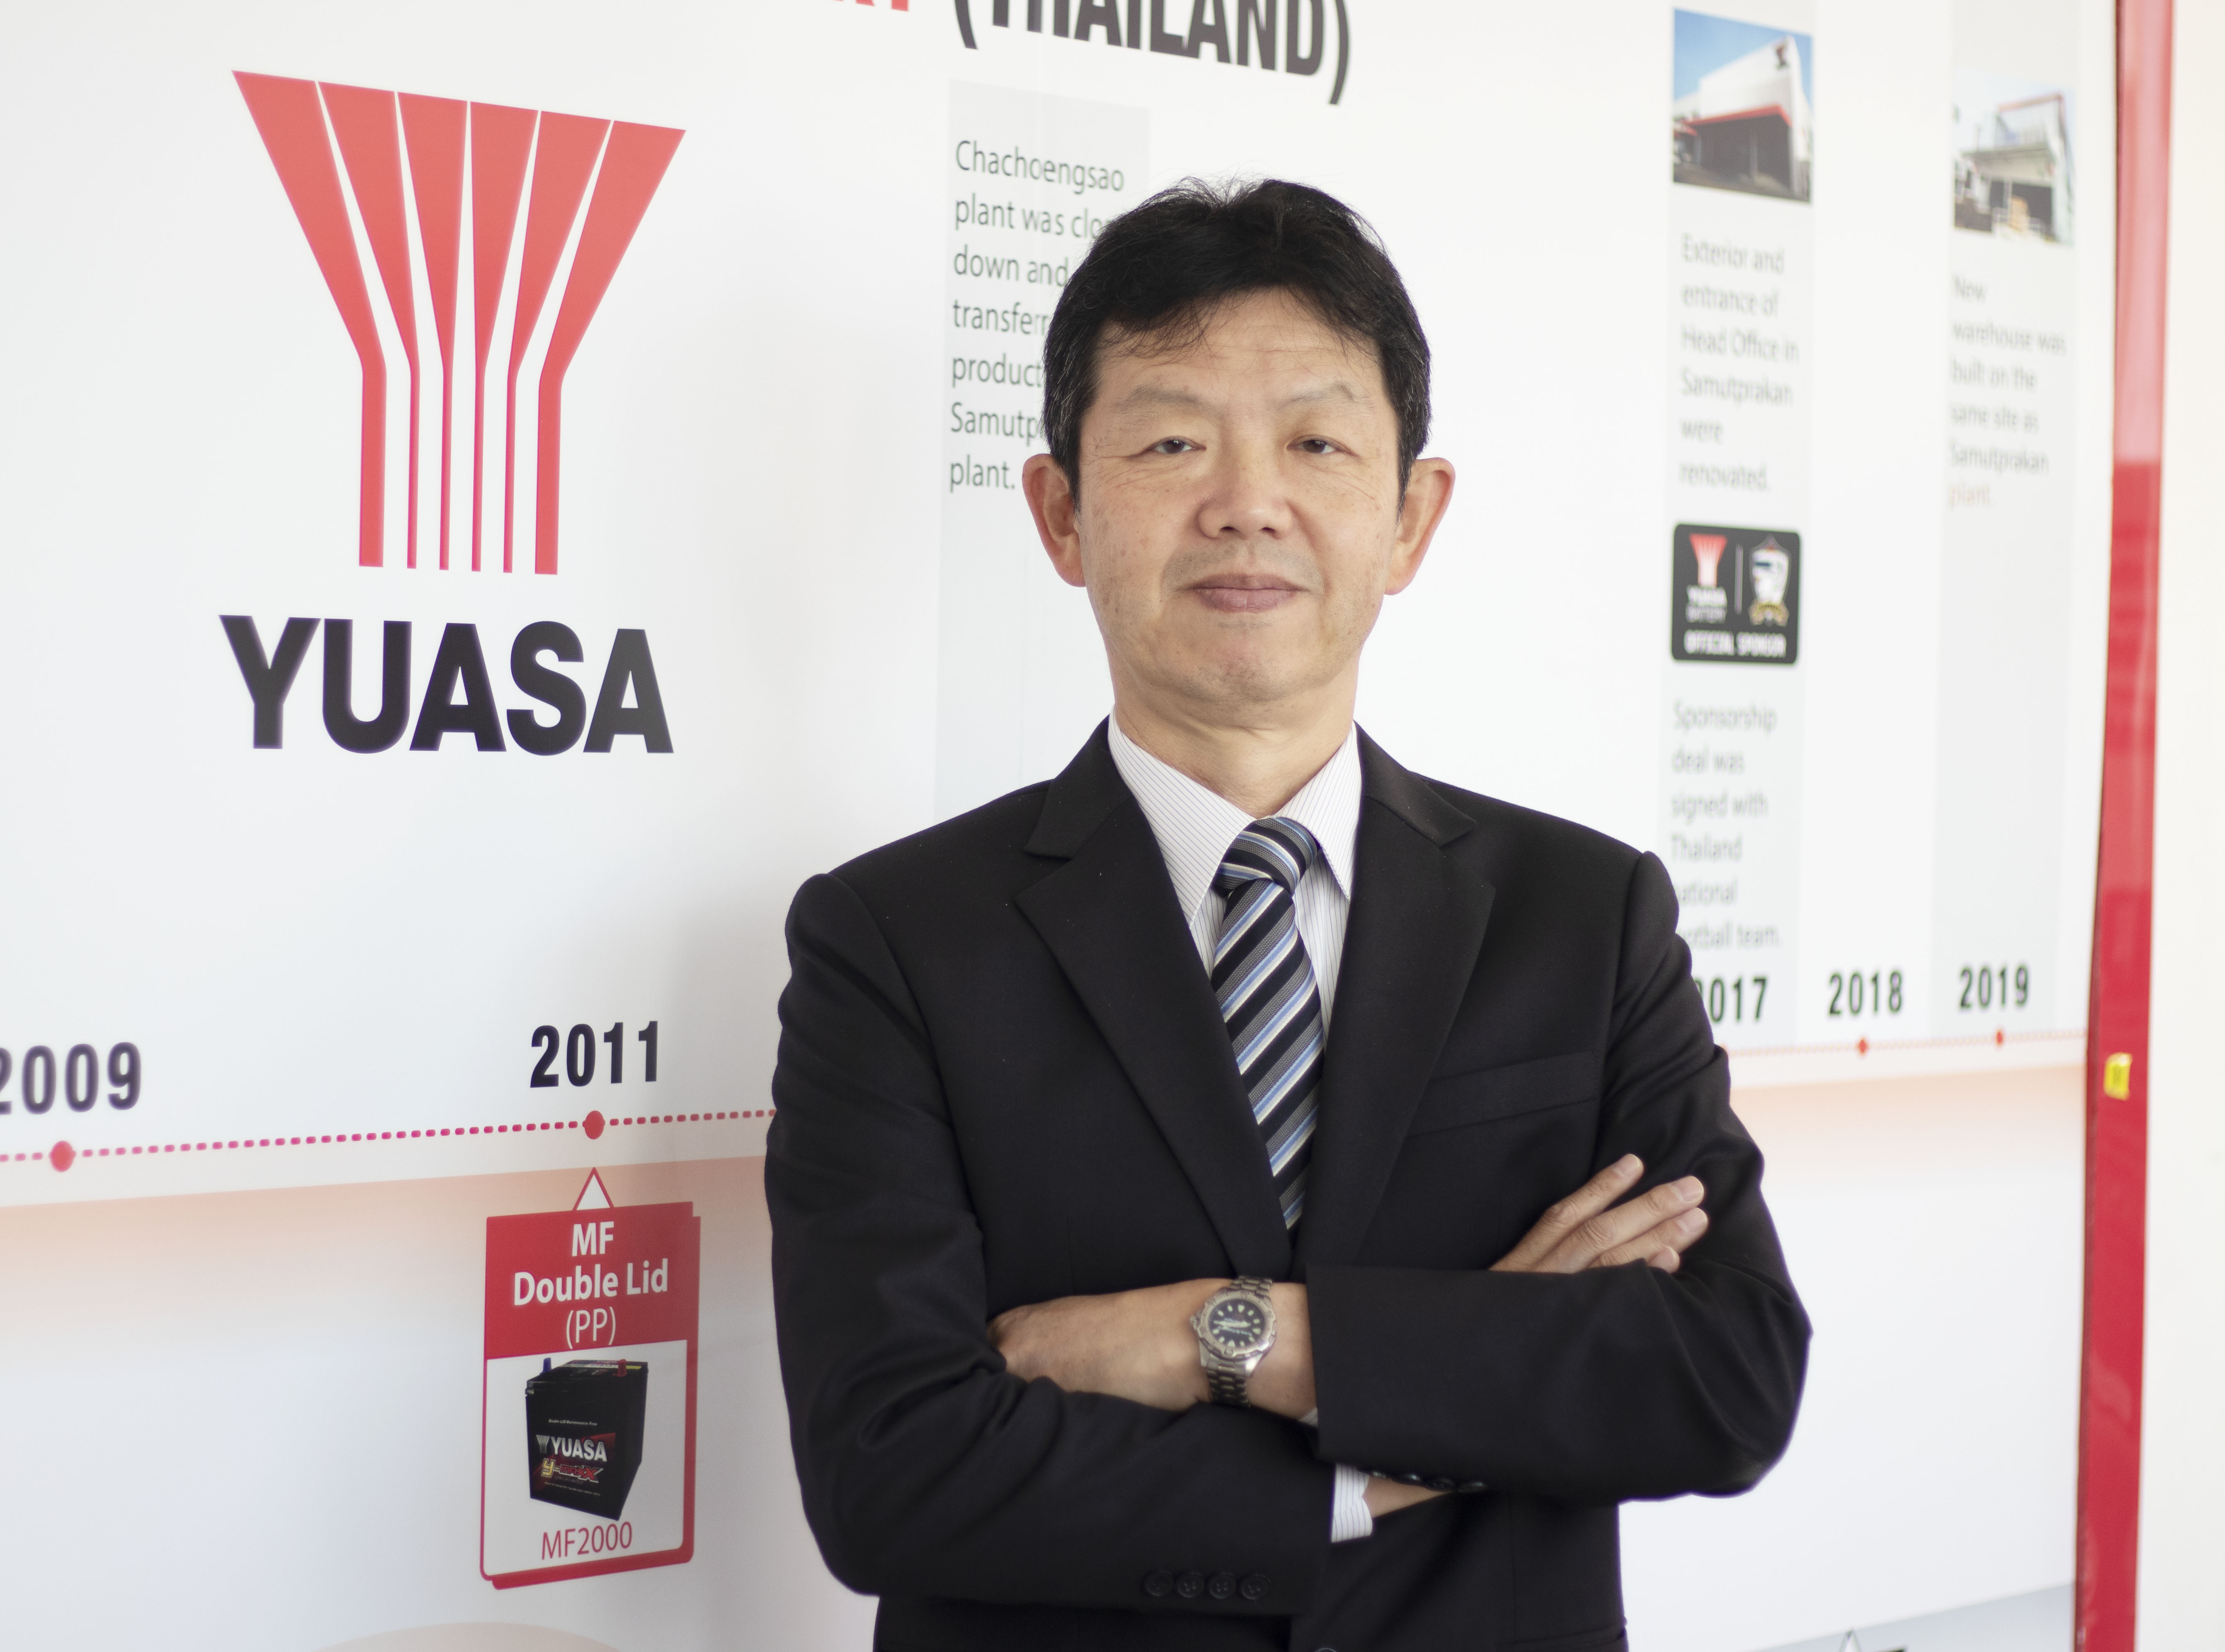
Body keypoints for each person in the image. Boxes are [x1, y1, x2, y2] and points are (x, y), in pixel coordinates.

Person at [766, 178, 1809, 1651]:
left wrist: (1222, 1339)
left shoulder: (1587, 917)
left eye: (1317, 443)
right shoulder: (893, 942)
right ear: (1062, 514)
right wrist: (1432, 1412)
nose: (1246, 502)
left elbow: (1722, 1374)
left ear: (1411, 519)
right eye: (1172, 441)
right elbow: (894, 1474)